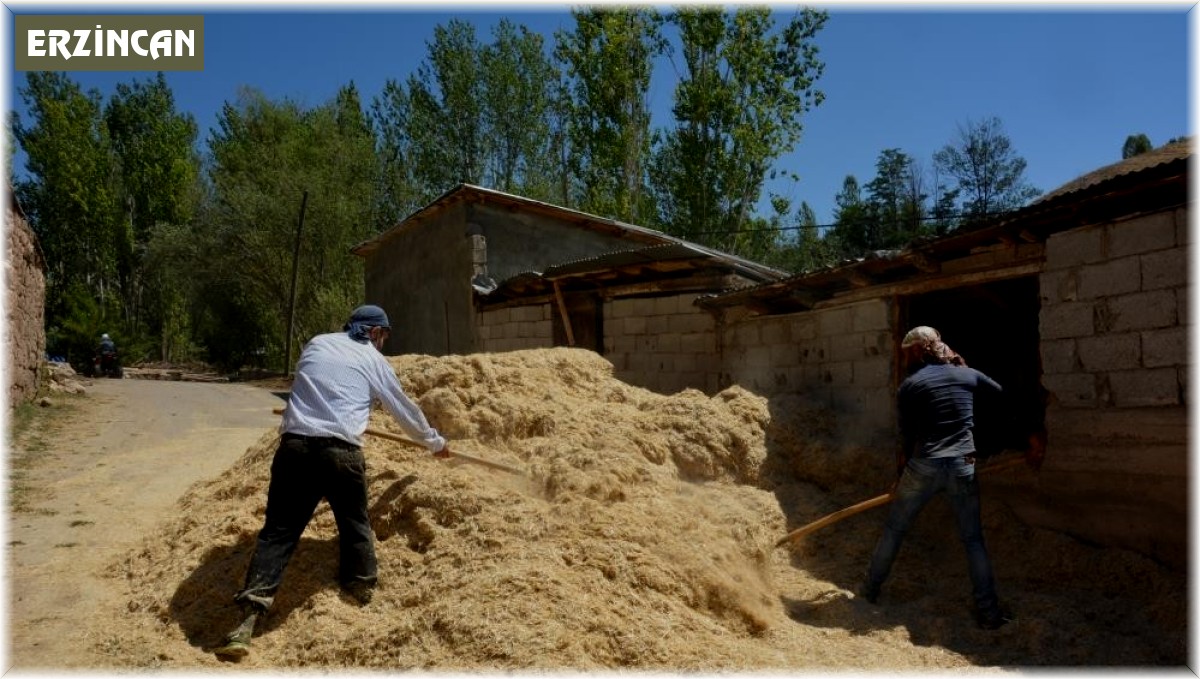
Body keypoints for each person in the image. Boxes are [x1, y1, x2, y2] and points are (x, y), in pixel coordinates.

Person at [216, 304, 452, 659]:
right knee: (355, 522)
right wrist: (434, 442)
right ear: (374, 333)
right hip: (340, 453)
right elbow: (403, 409)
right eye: (384, 336)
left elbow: (318, 386)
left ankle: (247, 621)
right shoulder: (373, 359)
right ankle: (361, 590)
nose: (383, 343)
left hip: (294, 448)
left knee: (278, 532)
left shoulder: (317, 343)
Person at [858, 325, 1012, 630]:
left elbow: (907, 437)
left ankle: (868, 594)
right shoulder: (969, 375)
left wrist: (900, 477)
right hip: (962, 466)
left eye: (906, 353)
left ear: (917, 351)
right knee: (973, 540)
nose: (904, 359)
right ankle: (989, 614)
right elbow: (1000, 396)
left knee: (894, 530)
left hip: (924, 465)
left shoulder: (910, 385)